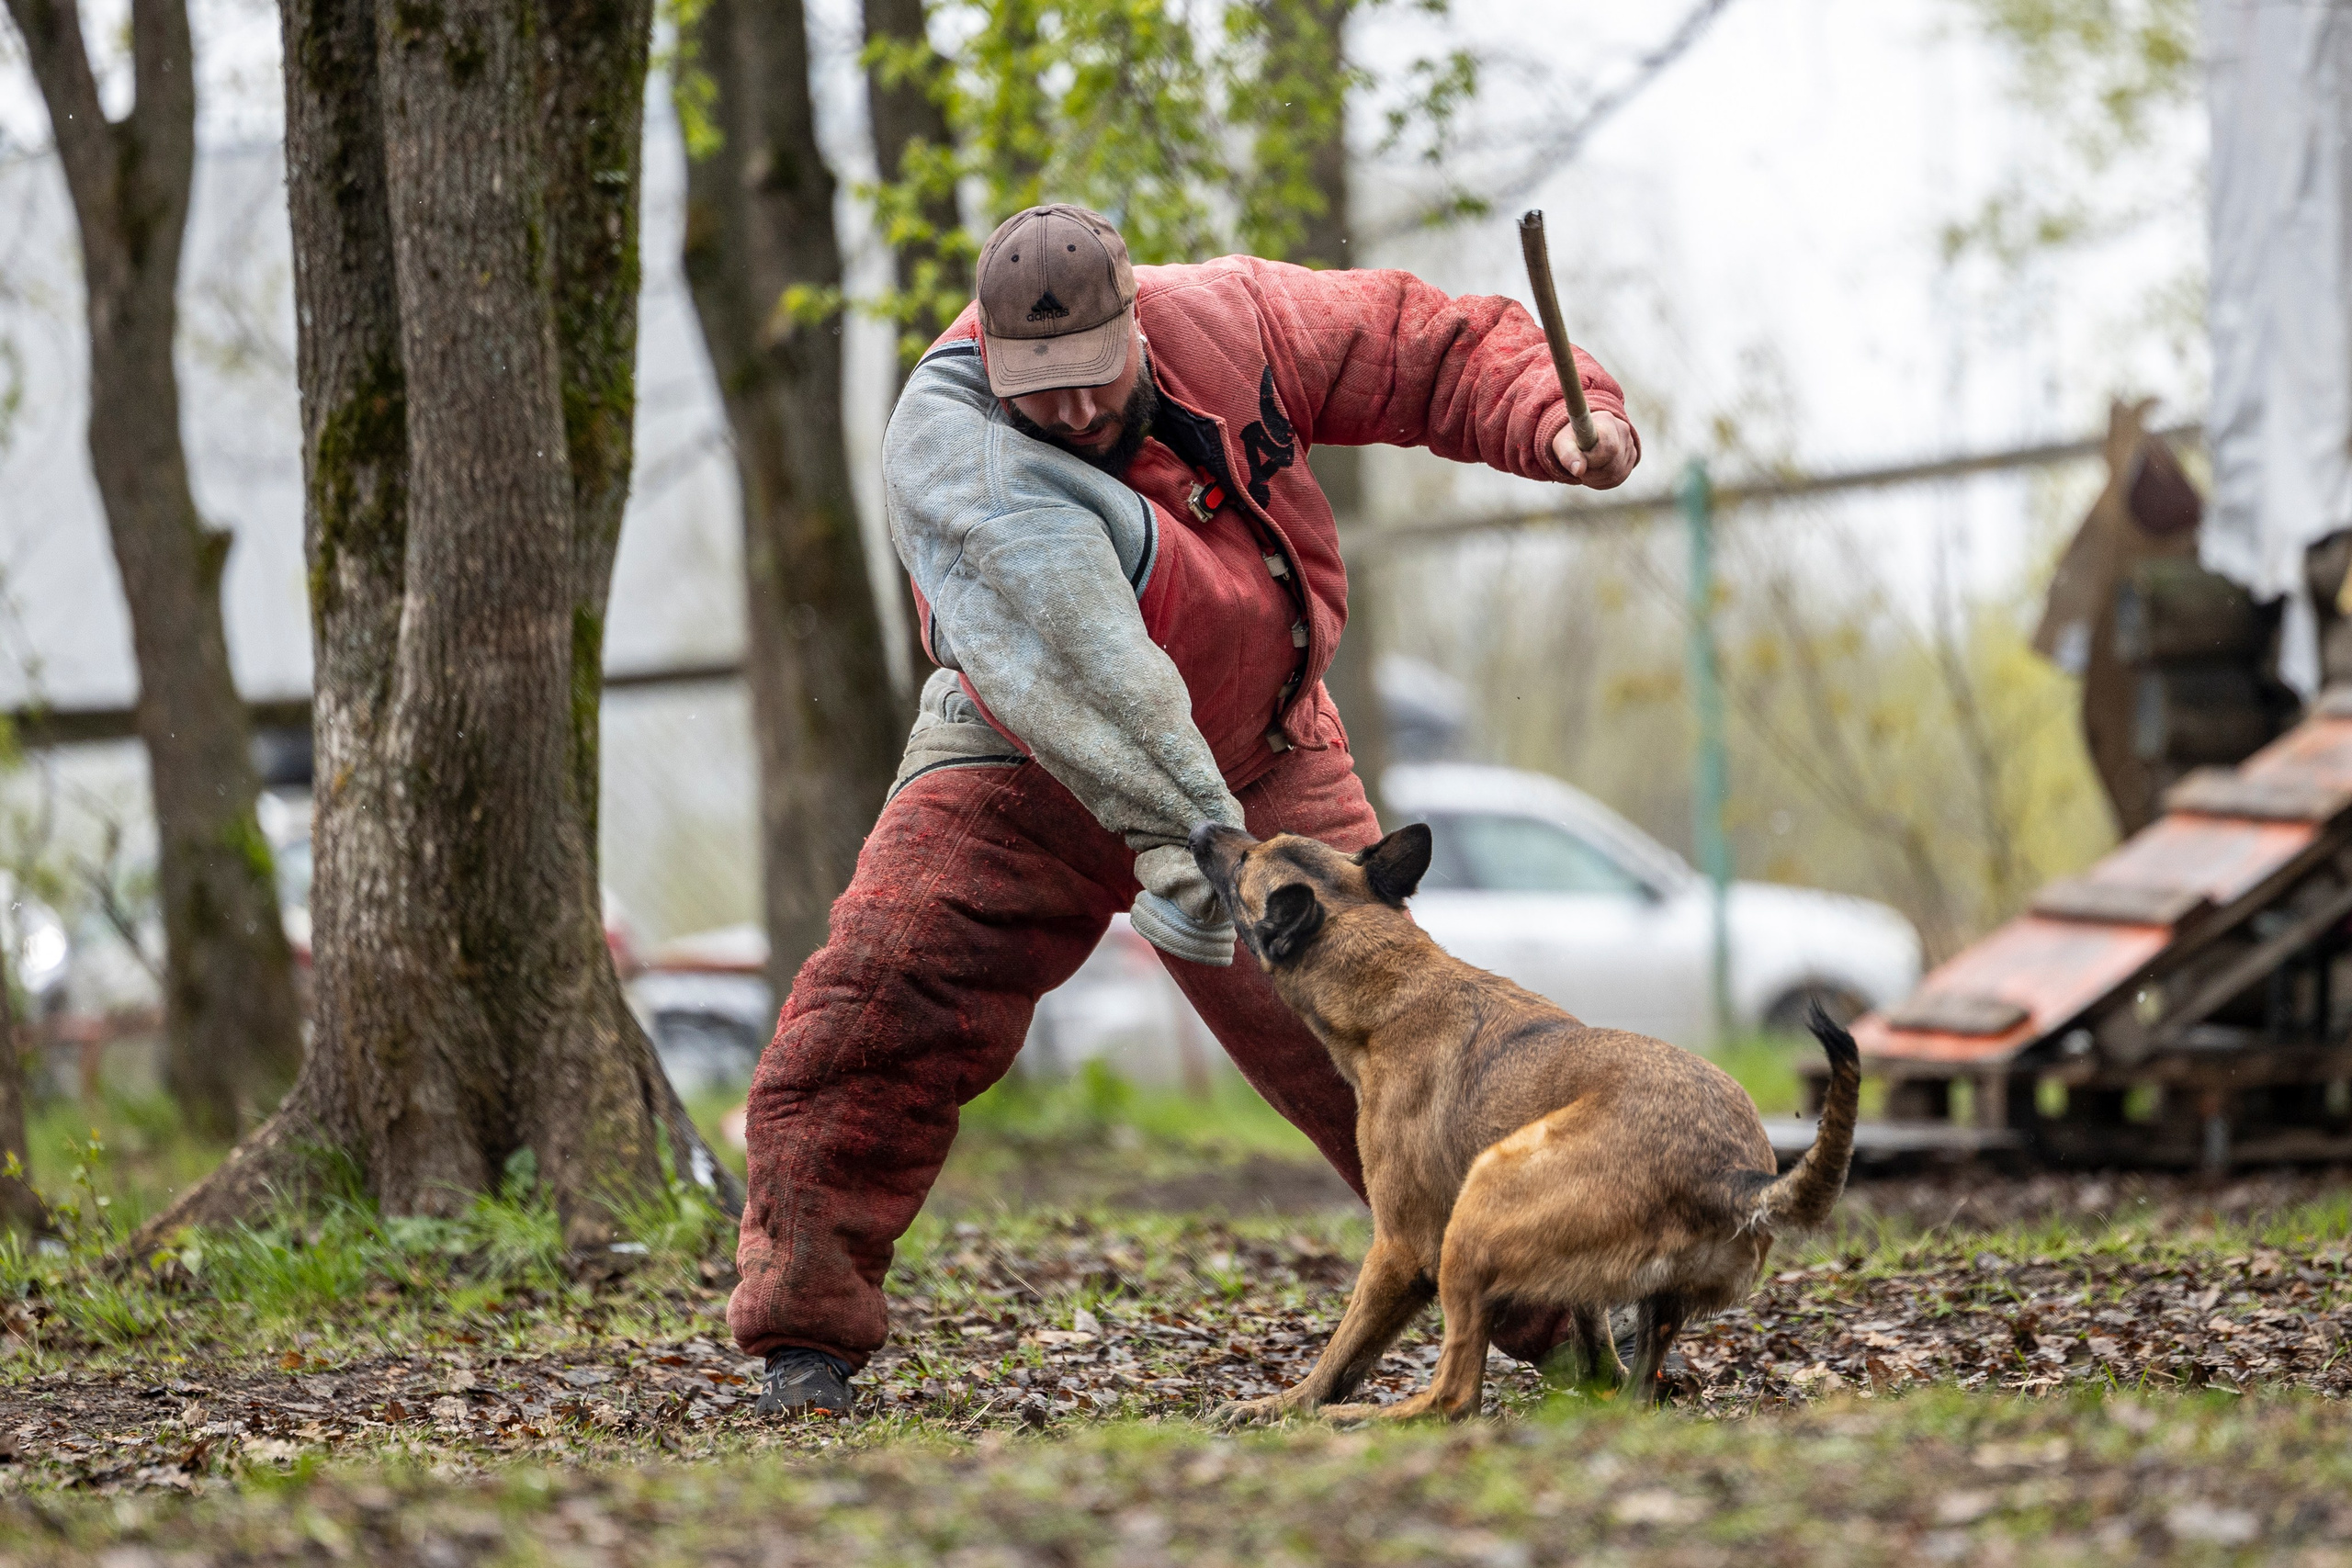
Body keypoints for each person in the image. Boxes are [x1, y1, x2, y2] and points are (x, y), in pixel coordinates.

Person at [733, 203, 1641, 1416]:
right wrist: (1193, 853)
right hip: (1022, 741)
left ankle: (1555, 1318)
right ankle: (804, 1339)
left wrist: (1556, 418)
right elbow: (1100, 689)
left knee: (1407, 1050)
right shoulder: (951, 445)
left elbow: (1421, 342)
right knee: (881, 993)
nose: (1064, 411)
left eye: (1089, 377)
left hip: (1260, 743)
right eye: (1033, 387)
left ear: (1135, 326)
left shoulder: (1230, 319)